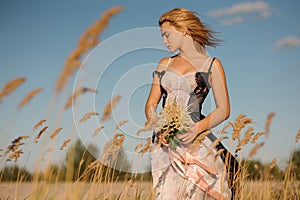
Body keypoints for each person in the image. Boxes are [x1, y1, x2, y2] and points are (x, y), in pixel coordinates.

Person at [145, 8, 237, 200]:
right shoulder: (165, 63)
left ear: (184, 30)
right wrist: (160, 128)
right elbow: (151, 105)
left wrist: (197, 129)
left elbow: (224, 110)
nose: (164, 41)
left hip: (197, 141)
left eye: (167, 35)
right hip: (166, 144)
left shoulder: (212, 65)